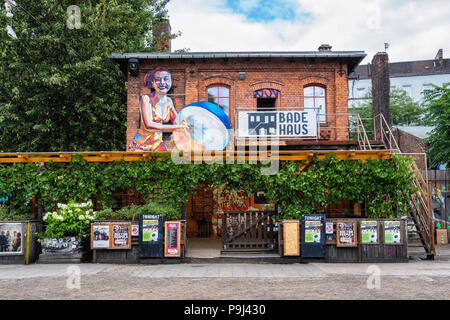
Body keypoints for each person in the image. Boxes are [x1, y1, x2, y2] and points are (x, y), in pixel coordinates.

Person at [129, 67, 193, 151]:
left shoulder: (169, 101)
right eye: (158, 80)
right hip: (140, 146)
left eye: (166, 79)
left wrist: (187, 124)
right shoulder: (146, 98)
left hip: (157, 146)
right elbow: (149, 125)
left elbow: (177, 121)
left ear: (171, 81)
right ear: (153, 82)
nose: (162, 83)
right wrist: (179, 126)